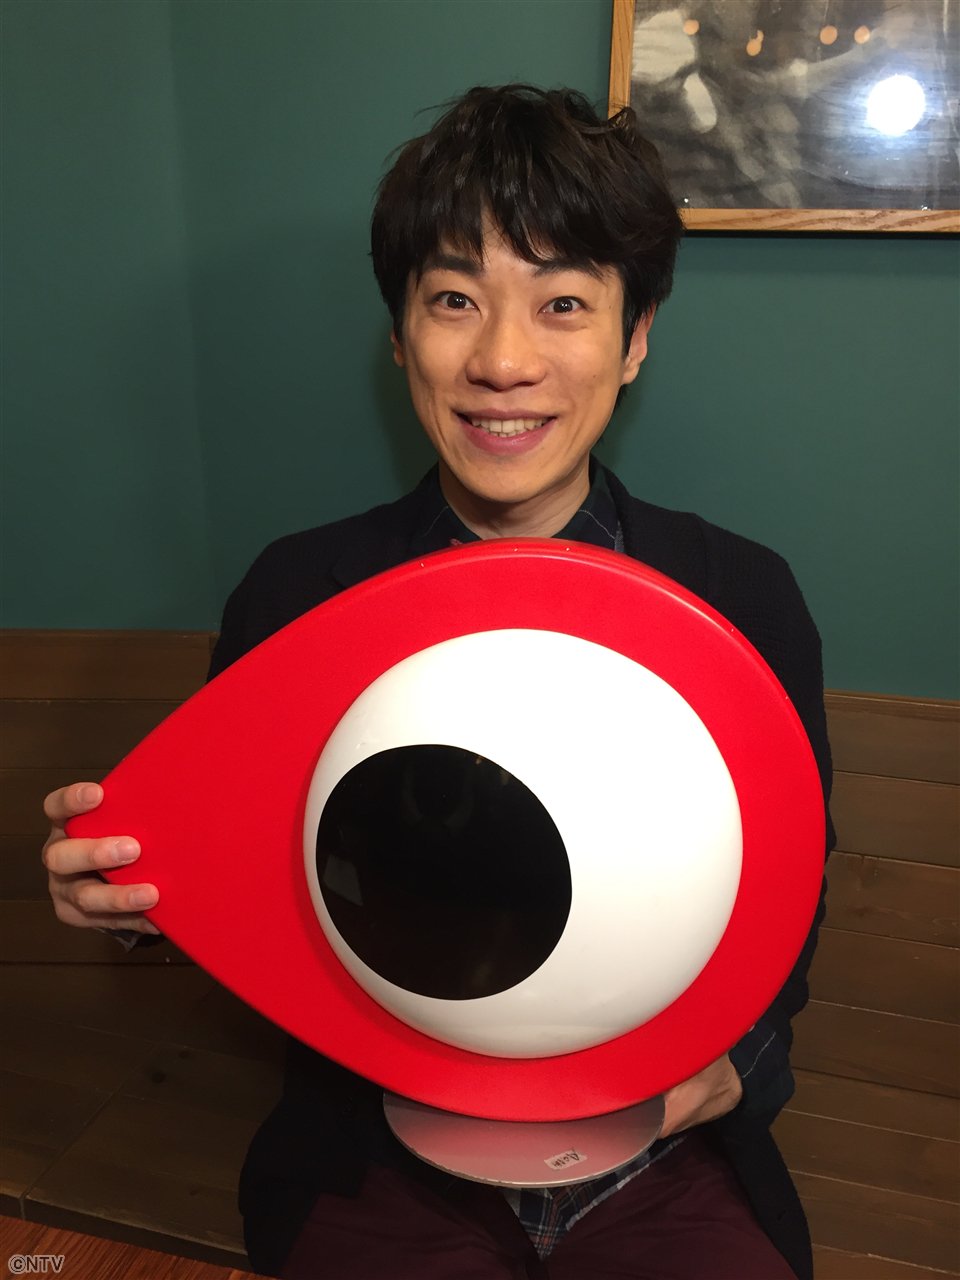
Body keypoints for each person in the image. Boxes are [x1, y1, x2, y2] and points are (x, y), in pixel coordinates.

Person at [42, 85, 833, 1280]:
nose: (503, 360)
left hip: (665, 1164)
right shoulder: (297, 594)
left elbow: (790, 888)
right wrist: (139, 897)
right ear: (400, 336)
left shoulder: (741, 597)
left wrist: (734, 1068)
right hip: (378, 1159)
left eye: (563, 303)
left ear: (634, 338)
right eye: (454, 299)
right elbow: (258, 877)